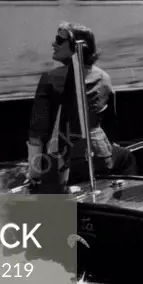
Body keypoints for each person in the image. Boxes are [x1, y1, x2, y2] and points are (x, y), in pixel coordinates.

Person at [26, 22, 136, 192]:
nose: (53, 44)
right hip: (101, 157)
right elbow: (111, 125)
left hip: (64, 162)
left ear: (77, 47)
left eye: (59, 40)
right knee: (126, 157)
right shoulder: (104, 77)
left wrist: (34, 173)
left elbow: (37, 133)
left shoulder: (49, 78)